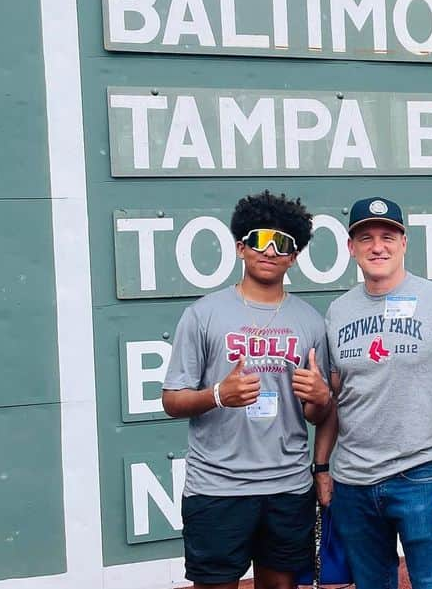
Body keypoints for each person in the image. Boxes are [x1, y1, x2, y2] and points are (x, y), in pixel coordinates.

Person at [161, 191, 333, 589]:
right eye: (259, 239)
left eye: (282, 243)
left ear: (293, 256)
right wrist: (218, 394)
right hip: (217, 487)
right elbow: (172, 400)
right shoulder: (202, 315)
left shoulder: (310, 322)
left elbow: (315, 414)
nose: (269, 250)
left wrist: (321, 399)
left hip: (288, 488)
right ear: (240, 247)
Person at [314, 196, 432, 589]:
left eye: (388, 236)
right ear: (350, 247)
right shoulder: (338, 312)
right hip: (353, 482)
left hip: (419, 478)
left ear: (404, 242)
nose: (378, 246)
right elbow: (337, 401)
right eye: (366, 237)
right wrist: (322, 468)